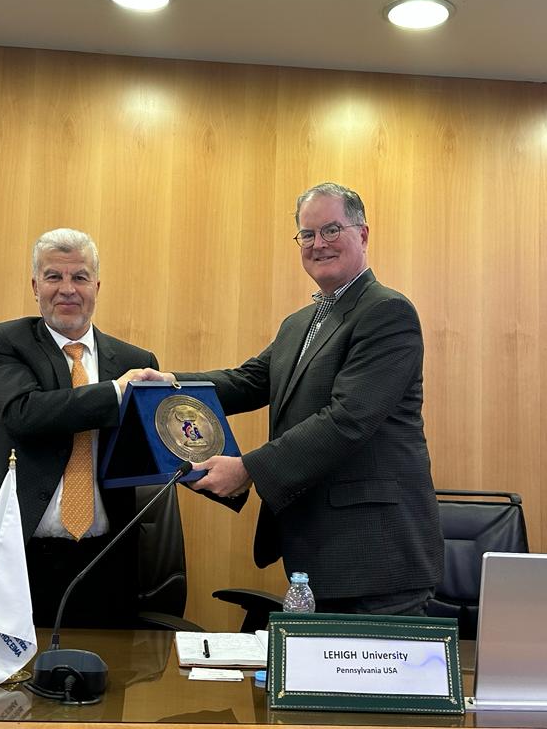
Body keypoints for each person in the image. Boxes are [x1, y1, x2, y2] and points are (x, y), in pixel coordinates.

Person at [143, 182, 443, 615]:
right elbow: (248, 381)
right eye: (307, 234)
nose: (319, 244)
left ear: (362, 234)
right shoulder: (300, 322)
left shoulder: (386, 312)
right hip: (319, 552)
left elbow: (347, 420)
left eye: (332, 230)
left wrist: (249, 468)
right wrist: (168, 384)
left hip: (377, 558)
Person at [0, 228, 223, 628]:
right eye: (54, 276)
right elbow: (22, 414)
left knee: (104, 664)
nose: (67, 289)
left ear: (96, 287)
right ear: (35, 286)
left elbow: (152, 448)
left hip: (104, 558)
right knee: (0, 667)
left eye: (80, 277)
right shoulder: (5, 342)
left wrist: (212, 468)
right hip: (14, 553)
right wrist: (115, 393)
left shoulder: (135, 361)